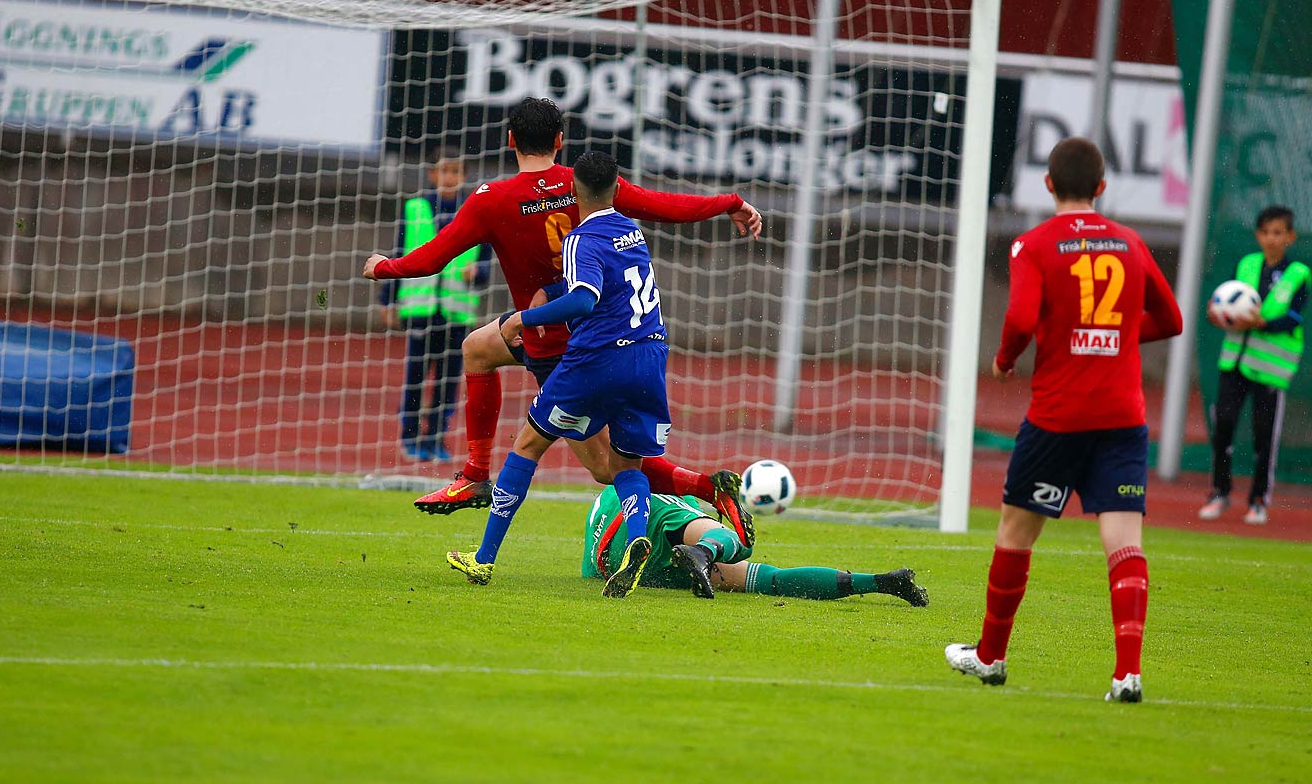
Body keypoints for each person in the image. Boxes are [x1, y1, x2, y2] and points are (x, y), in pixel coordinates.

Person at [362, 97, 762, 540]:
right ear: (559, 141)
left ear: (511, 140)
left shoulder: (491, 199)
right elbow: (666, 206)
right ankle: (475, 473)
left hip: (557, 346)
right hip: (580, 328)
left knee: (607, 468)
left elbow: (431, 259)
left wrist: (385, 267)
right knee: (476, 347)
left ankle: (707, 487)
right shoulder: (585, 184)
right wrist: (729, 202)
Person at [944, 136, 1183, 702]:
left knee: (1015, 534)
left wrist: (1005, 360)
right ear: (1102, 188)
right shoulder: (1130, 242)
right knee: (1124, 542)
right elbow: (1169, 318)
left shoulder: (1034, 244)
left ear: (1048, 184)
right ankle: (1127, 673)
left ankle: (991, 657)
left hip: (1058, 418)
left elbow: (1022, 316)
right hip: (1123, 417)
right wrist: (1114, 340)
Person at [443, 152, 674, 596]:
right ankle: (638, 536)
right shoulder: (632, 230)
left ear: (574, 190)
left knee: (528, 444)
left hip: (596, 359)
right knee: (625, 463)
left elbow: (584, 299)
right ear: (617, 187)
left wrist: (522, 320)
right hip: (649, 355)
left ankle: (484, 559)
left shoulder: (579, 239)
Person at [578, 483, 929, 605]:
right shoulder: (666, 498)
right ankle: (703, 552)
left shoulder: (616, 491)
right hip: (641, 518)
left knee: (757, 580)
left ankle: (883, 582)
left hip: (604, 559)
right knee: (737, 548)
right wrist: (722, 514)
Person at [1198, 206, 1311, 527]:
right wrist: (1218, 313)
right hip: (1233, 361)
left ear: (1290, 237)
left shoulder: (1299, 273)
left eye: (1278, 233)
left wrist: (1264, 323)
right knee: (1224, 425)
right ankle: (1220, 491)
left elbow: (1295, 317)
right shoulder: (1247, 264)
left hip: (1270, 367)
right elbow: (1230, 301)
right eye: (1266, 232)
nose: (1271, 239)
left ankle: (1259, 499)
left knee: (1264, 436)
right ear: (1258, 234)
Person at [376, 149, 481, 461]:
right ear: (433, 175)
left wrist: (478, 272)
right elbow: (399, 253)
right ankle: (409, 437)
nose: (449, 178)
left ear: (463, 176)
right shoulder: (416, 209)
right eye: (444, 172)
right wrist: (388, 299)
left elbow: (486, 261)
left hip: (456, 310)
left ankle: (435, 437)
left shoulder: (473, 211)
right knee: (416, 375)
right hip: (421, 309)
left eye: (455, 172)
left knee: (448, 381)